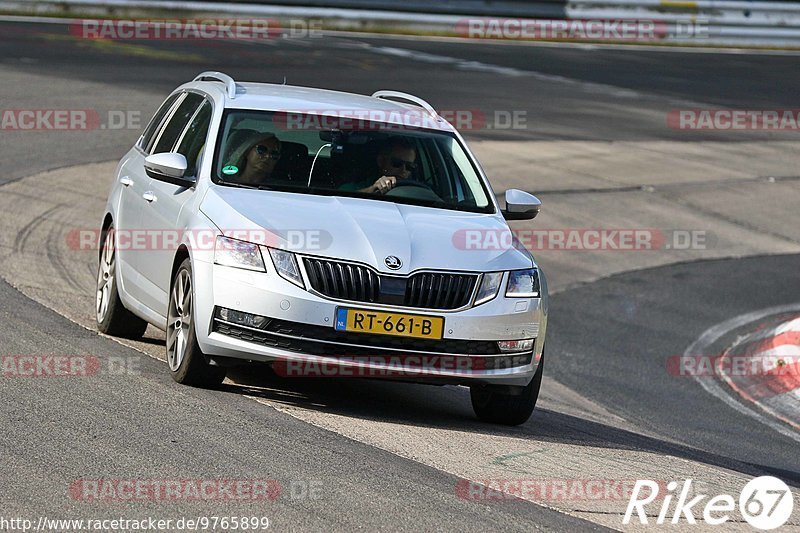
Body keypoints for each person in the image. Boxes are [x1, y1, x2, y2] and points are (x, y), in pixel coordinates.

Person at [339, 137, 418, 194]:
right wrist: (372, 189)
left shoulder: (419, 192)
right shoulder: (352, 187)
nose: (403, 170)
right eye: (397, 163)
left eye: (409, 166)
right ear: (381, 161)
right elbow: (341, 199)